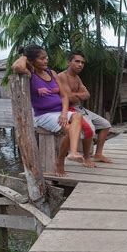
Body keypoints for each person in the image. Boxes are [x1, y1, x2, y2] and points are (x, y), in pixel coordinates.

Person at [12, 44, 84, 176]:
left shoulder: (52, 73)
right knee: (69, 130)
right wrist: (24, 56)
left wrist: (64, 113)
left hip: (59, 112)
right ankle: (60, 162)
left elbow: (64, 96)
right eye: (42, 58)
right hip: (44, 115)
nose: (46, 61)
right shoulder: (30, 74)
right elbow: (17, 67)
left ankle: (73, 152)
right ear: (32, 60)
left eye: (46, 58)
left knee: (77, 116)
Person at [57, 50, 113, 165]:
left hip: (80, 108)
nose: (80, 64)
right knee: (89, 129)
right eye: (77, 61)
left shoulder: (77, 78)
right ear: (69, 62)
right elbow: (69, 98)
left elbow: (87, 95)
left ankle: (98, 154)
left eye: (82, 62)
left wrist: (77, 95)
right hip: (69, 109)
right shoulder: (62, 76)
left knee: (106, 124)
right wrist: (79, 94)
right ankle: (86, 157)